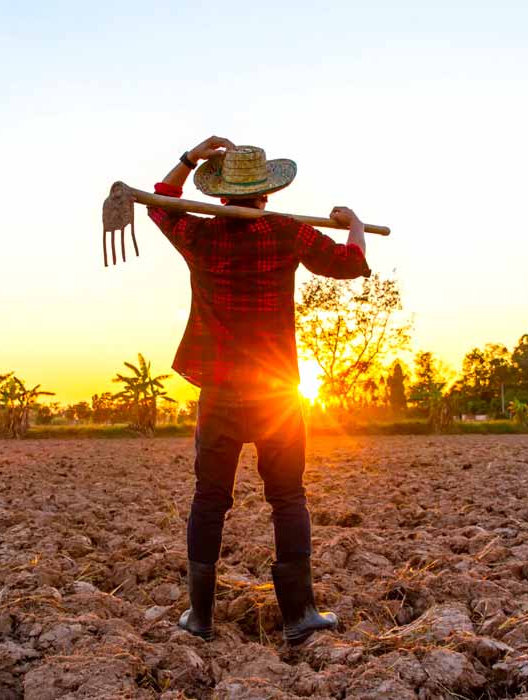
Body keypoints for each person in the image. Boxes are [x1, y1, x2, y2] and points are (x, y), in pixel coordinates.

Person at [147, 135, 371, 644]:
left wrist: (189, 158)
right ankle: (299, 616)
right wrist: (353, 223)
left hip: (221, 391)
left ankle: (199, 617)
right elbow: (349, 263)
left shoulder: (200, 235)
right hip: (277, 394)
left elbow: (161, 201)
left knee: (209, 498)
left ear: (222, 195)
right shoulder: (286, 232)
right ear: (267, 193)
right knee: (288, 497)